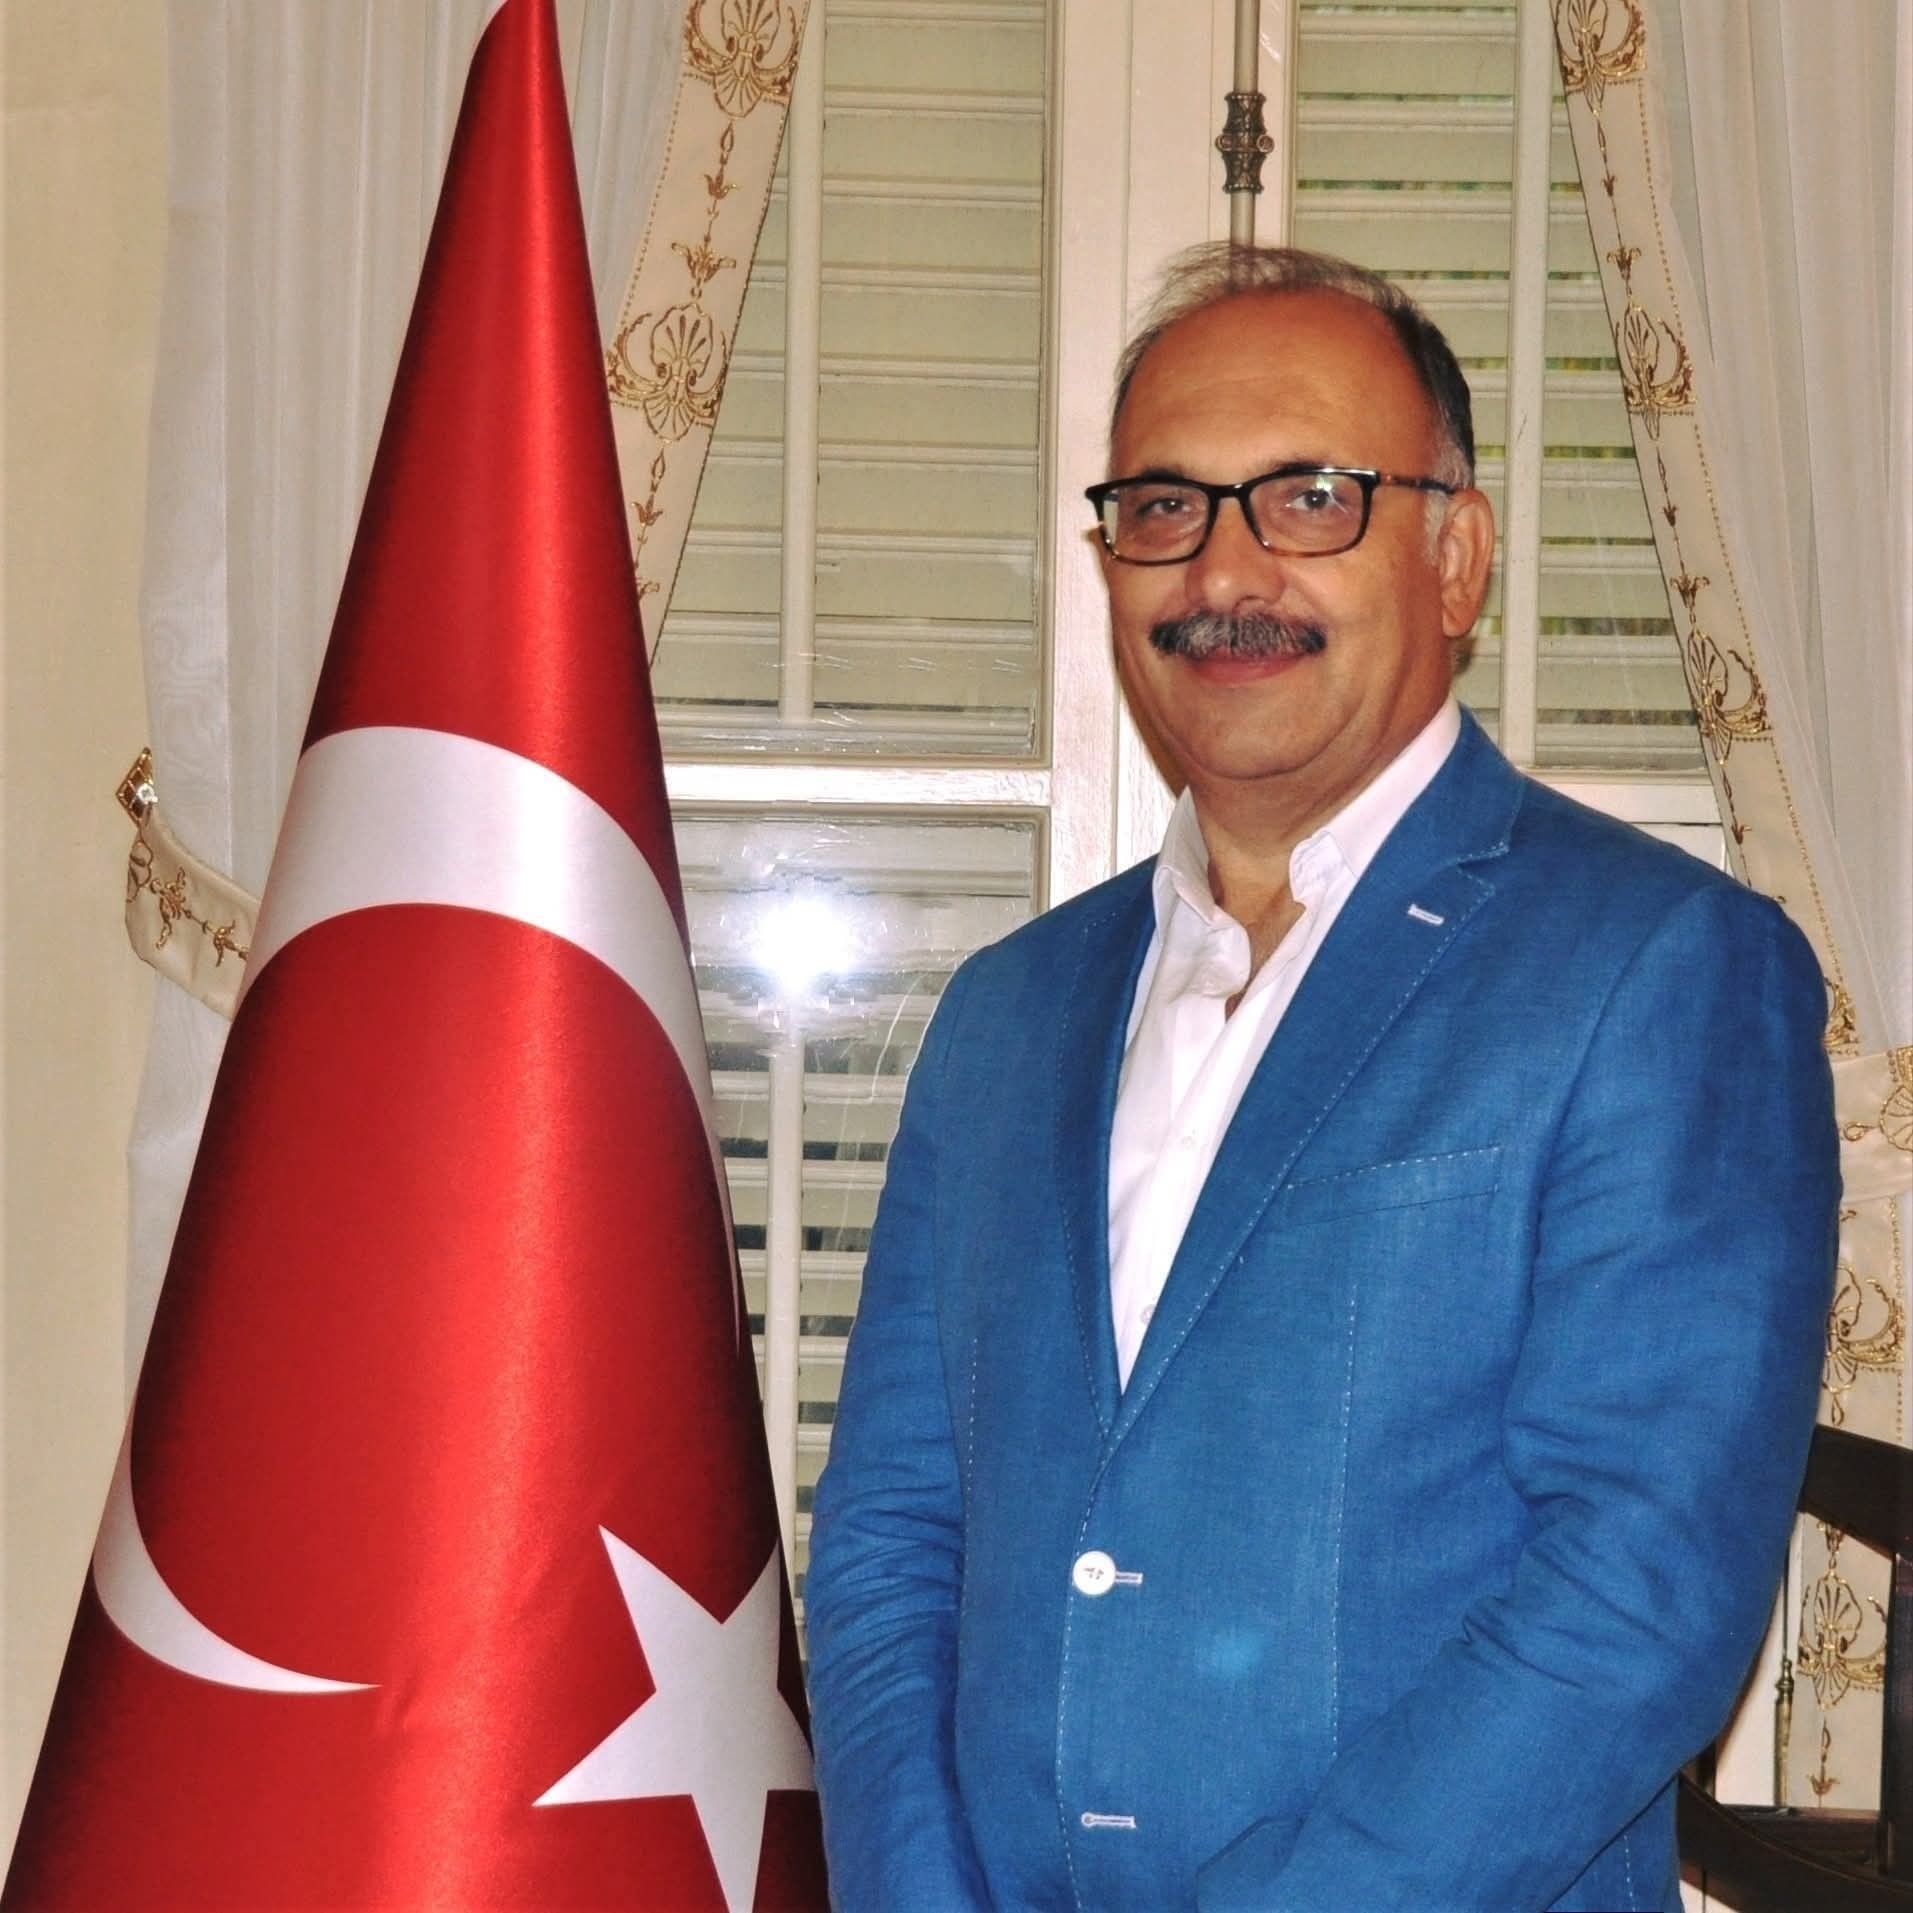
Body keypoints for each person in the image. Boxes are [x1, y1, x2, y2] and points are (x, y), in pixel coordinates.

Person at [803, 244, 1838, 1912]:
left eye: (1308, 498)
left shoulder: (1658, 965)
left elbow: (1634, 1588)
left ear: (1455, 557)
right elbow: (889, 1537)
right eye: (1163, 506)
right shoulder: (1003, 1013)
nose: (1224, 569)